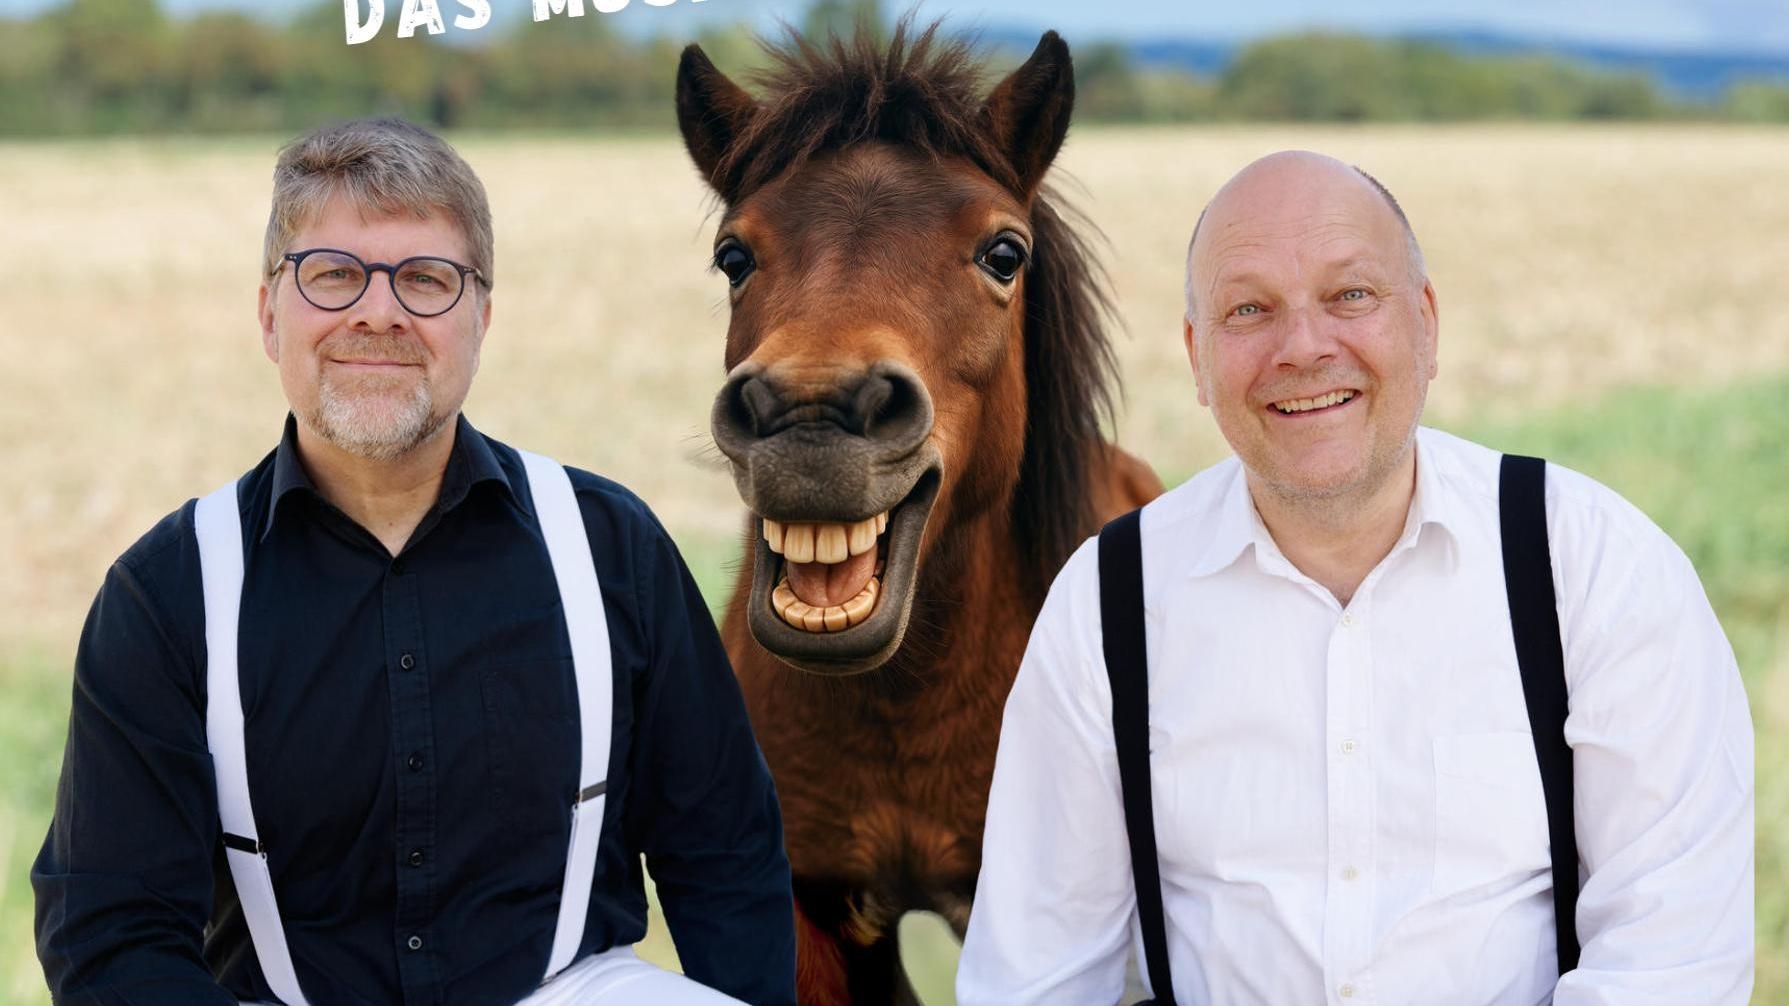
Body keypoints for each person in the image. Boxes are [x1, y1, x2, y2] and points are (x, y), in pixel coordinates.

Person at [956, 150, 1753, 1004]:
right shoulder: (1106, 603)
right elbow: (1034, 978)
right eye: (1249, 308)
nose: (1302, 347)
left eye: (1350, 297)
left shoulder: (1598, 570)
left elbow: (1670, 964)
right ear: (1196, 356)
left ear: (1426, 323)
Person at [33, 117, 797, 1006]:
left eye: (427, 279)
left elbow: (727, 857)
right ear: (269, 314)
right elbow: (112, 933)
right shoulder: (166, 595)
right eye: (332, 275)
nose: (378, 310)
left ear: (481, 317)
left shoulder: (610, 549)